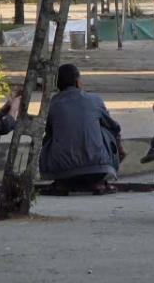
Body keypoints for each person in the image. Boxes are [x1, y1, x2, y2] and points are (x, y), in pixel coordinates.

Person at [39, 64, 125, 195]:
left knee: (50, 137)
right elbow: (115, 128)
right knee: (107, 130)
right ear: (76, 82)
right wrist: (120, 149)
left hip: (62, 171)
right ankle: (99, 183)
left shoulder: (53, 103)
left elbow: (49, 132)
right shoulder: (94, 100)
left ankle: (61, 184)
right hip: (97, 170)